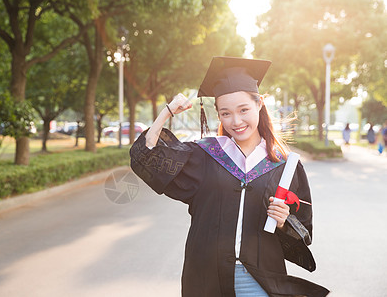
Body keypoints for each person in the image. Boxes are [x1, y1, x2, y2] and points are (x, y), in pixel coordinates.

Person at [130, 57, 329, 297]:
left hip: (260, 280)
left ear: (260, 104)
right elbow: (147, 156)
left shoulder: (284, 166)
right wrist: (167, 112)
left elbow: (303, 231)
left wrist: (283, 221)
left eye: (243, 110)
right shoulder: (205, 155)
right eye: (226, 113)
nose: (236, 121)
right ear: (218, 115)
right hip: (206, 279)